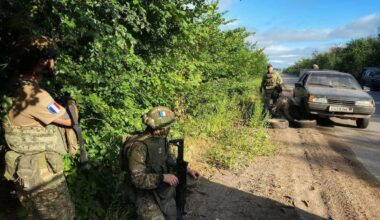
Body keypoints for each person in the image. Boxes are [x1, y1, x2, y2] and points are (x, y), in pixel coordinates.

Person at [2, 37, 75, 219]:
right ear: (42, 62)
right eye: (52, 59)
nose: (54, 63)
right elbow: (70, 120)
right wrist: (72, 104)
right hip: (41, 175)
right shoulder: (34, 95)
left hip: (25, 171)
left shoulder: (10, 87)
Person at [121, 106, 200, 220]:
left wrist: (187, 170)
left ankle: (174, 200)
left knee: (191, 179)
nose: (170, 128)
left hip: (159, 184)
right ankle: (137, 208)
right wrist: (162, 178)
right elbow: (137, 179)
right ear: (161, 128)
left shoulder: (161, 139)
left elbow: (169, 158)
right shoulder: (140, 147)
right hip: (143, 192)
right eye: (168, 126)